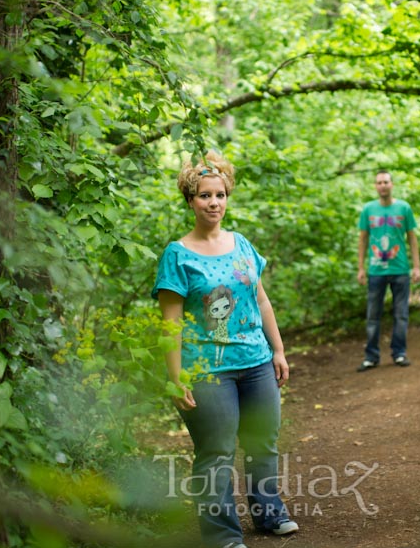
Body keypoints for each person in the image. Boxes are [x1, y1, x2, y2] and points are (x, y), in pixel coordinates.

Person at [152, 150, 298, 548]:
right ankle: (222, 535)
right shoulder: (177, 255)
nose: (213, 203)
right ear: (189, 200)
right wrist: (175, 376)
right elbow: (171, 324)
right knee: (216, 452)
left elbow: (261, 301)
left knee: (262, 441)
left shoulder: (242, 245)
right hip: (206, 372)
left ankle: (270, 515)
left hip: (256, 362)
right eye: (204, 196)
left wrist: (278, 351)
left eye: (219, 194)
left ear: (227, 197)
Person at [356, 169, 420, 372]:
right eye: (379, 182)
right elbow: (363, 239)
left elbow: (412, 238)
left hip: (400, 269)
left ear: (392, 184)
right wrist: (360, 267)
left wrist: (417, 266)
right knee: (373, 315)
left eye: (386, 182)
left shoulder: (404, 208)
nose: (383, 185)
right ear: (375, 186)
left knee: (401, 314)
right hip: (376, 270)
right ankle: (371, 356)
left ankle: (399, 353)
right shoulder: (368, 209)